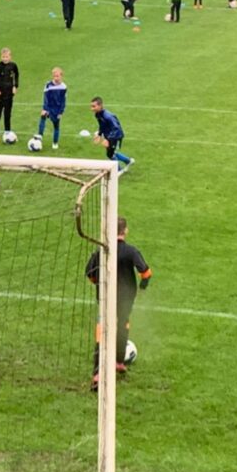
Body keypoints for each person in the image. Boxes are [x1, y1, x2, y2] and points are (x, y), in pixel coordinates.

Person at [85, 217, 152, 391]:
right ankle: (119, 362)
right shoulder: (131, 251)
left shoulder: (101, 252)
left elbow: (90, 273)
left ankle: (97, 375)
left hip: (105, 296)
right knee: (122, 324)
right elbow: (146, 272)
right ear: (125, 231)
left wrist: (97, 282)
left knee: (102, 330)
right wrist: (143, 286)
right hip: (125, 297)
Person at [90, 97, 133, 174]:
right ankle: (128, 161)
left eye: (94, 106)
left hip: (115, 135)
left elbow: (116, 128)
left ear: (100, 106)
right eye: (91, 106)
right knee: (111, 152)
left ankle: (119, 170)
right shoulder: (97, 114)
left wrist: (108, 139)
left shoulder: (108, 116)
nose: (92, 109)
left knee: (110, 154)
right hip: (109, 135)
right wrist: (99, 135)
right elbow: (102, 125)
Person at [36, 67, 67, 150]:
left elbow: (63, 100)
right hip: (49, 107)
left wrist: (61, 112)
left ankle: (55, 143)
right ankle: (40, 136)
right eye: (54, 76)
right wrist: (44, 108)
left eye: (57, 76)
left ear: (61, 76)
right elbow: (46, 97)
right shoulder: (48, 85)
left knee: (56, 126)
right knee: (42, 118)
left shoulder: (63, 87)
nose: (56, 78)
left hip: (57, 110)